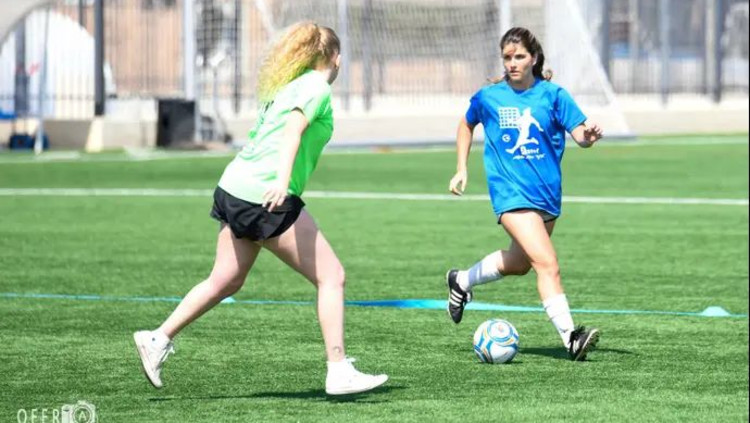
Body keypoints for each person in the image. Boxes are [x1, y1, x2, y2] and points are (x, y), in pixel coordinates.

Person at [133, 21, 388, 395]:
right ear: (335, 58)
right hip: (264, 195)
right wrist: (282, 182)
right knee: (332, 276)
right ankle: (338, 370)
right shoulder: (316, 87)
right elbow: (291, 132)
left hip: (234, 188)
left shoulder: (290, 85)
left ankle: (157, 338)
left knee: (226, 280)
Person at [445, 27, 603, 361]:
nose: (512, 63)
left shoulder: (553, 95)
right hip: (511, 195)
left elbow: (580, 134)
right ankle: (571, 338)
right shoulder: (489, 97)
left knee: (519, 264)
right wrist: (461, 167)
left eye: (519, 56)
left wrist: (588, 137)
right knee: (547, 264)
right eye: (507, 57)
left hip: (546, 196)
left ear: (533, 58)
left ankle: (461, 280)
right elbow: (465, 124)